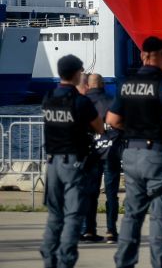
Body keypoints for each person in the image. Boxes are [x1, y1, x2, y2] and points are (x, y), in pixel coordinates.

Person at [107, 36, 162, 268]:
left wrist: (132, 128)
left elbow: (112, 119)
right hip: (159, 155)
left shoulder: (127, 83)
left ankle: (124, 262)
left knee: (132, 215)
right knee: (160, 218)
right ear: (161, 56)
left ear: (143, 55)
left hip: (132, 153)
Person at [40, 54, 104, 268]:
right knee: (73, 215)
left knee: (54, 215)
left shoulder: (49, 96)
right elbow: (99, 128)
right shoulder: (80, 102)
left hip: (52, 163)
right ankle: (66, 261)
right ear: (77, 73)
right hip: (73, 162)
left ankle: (49, 257)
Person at [80, 73, 114, 244]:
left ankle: (88, 229)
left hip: (90, 151)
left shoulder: (82, 102)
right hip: (110, 151)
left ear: (89, 85)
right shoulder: (111, 100)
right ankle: (111, 230)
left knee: (89, 193)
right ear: (102, 84)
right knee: (111, 193)